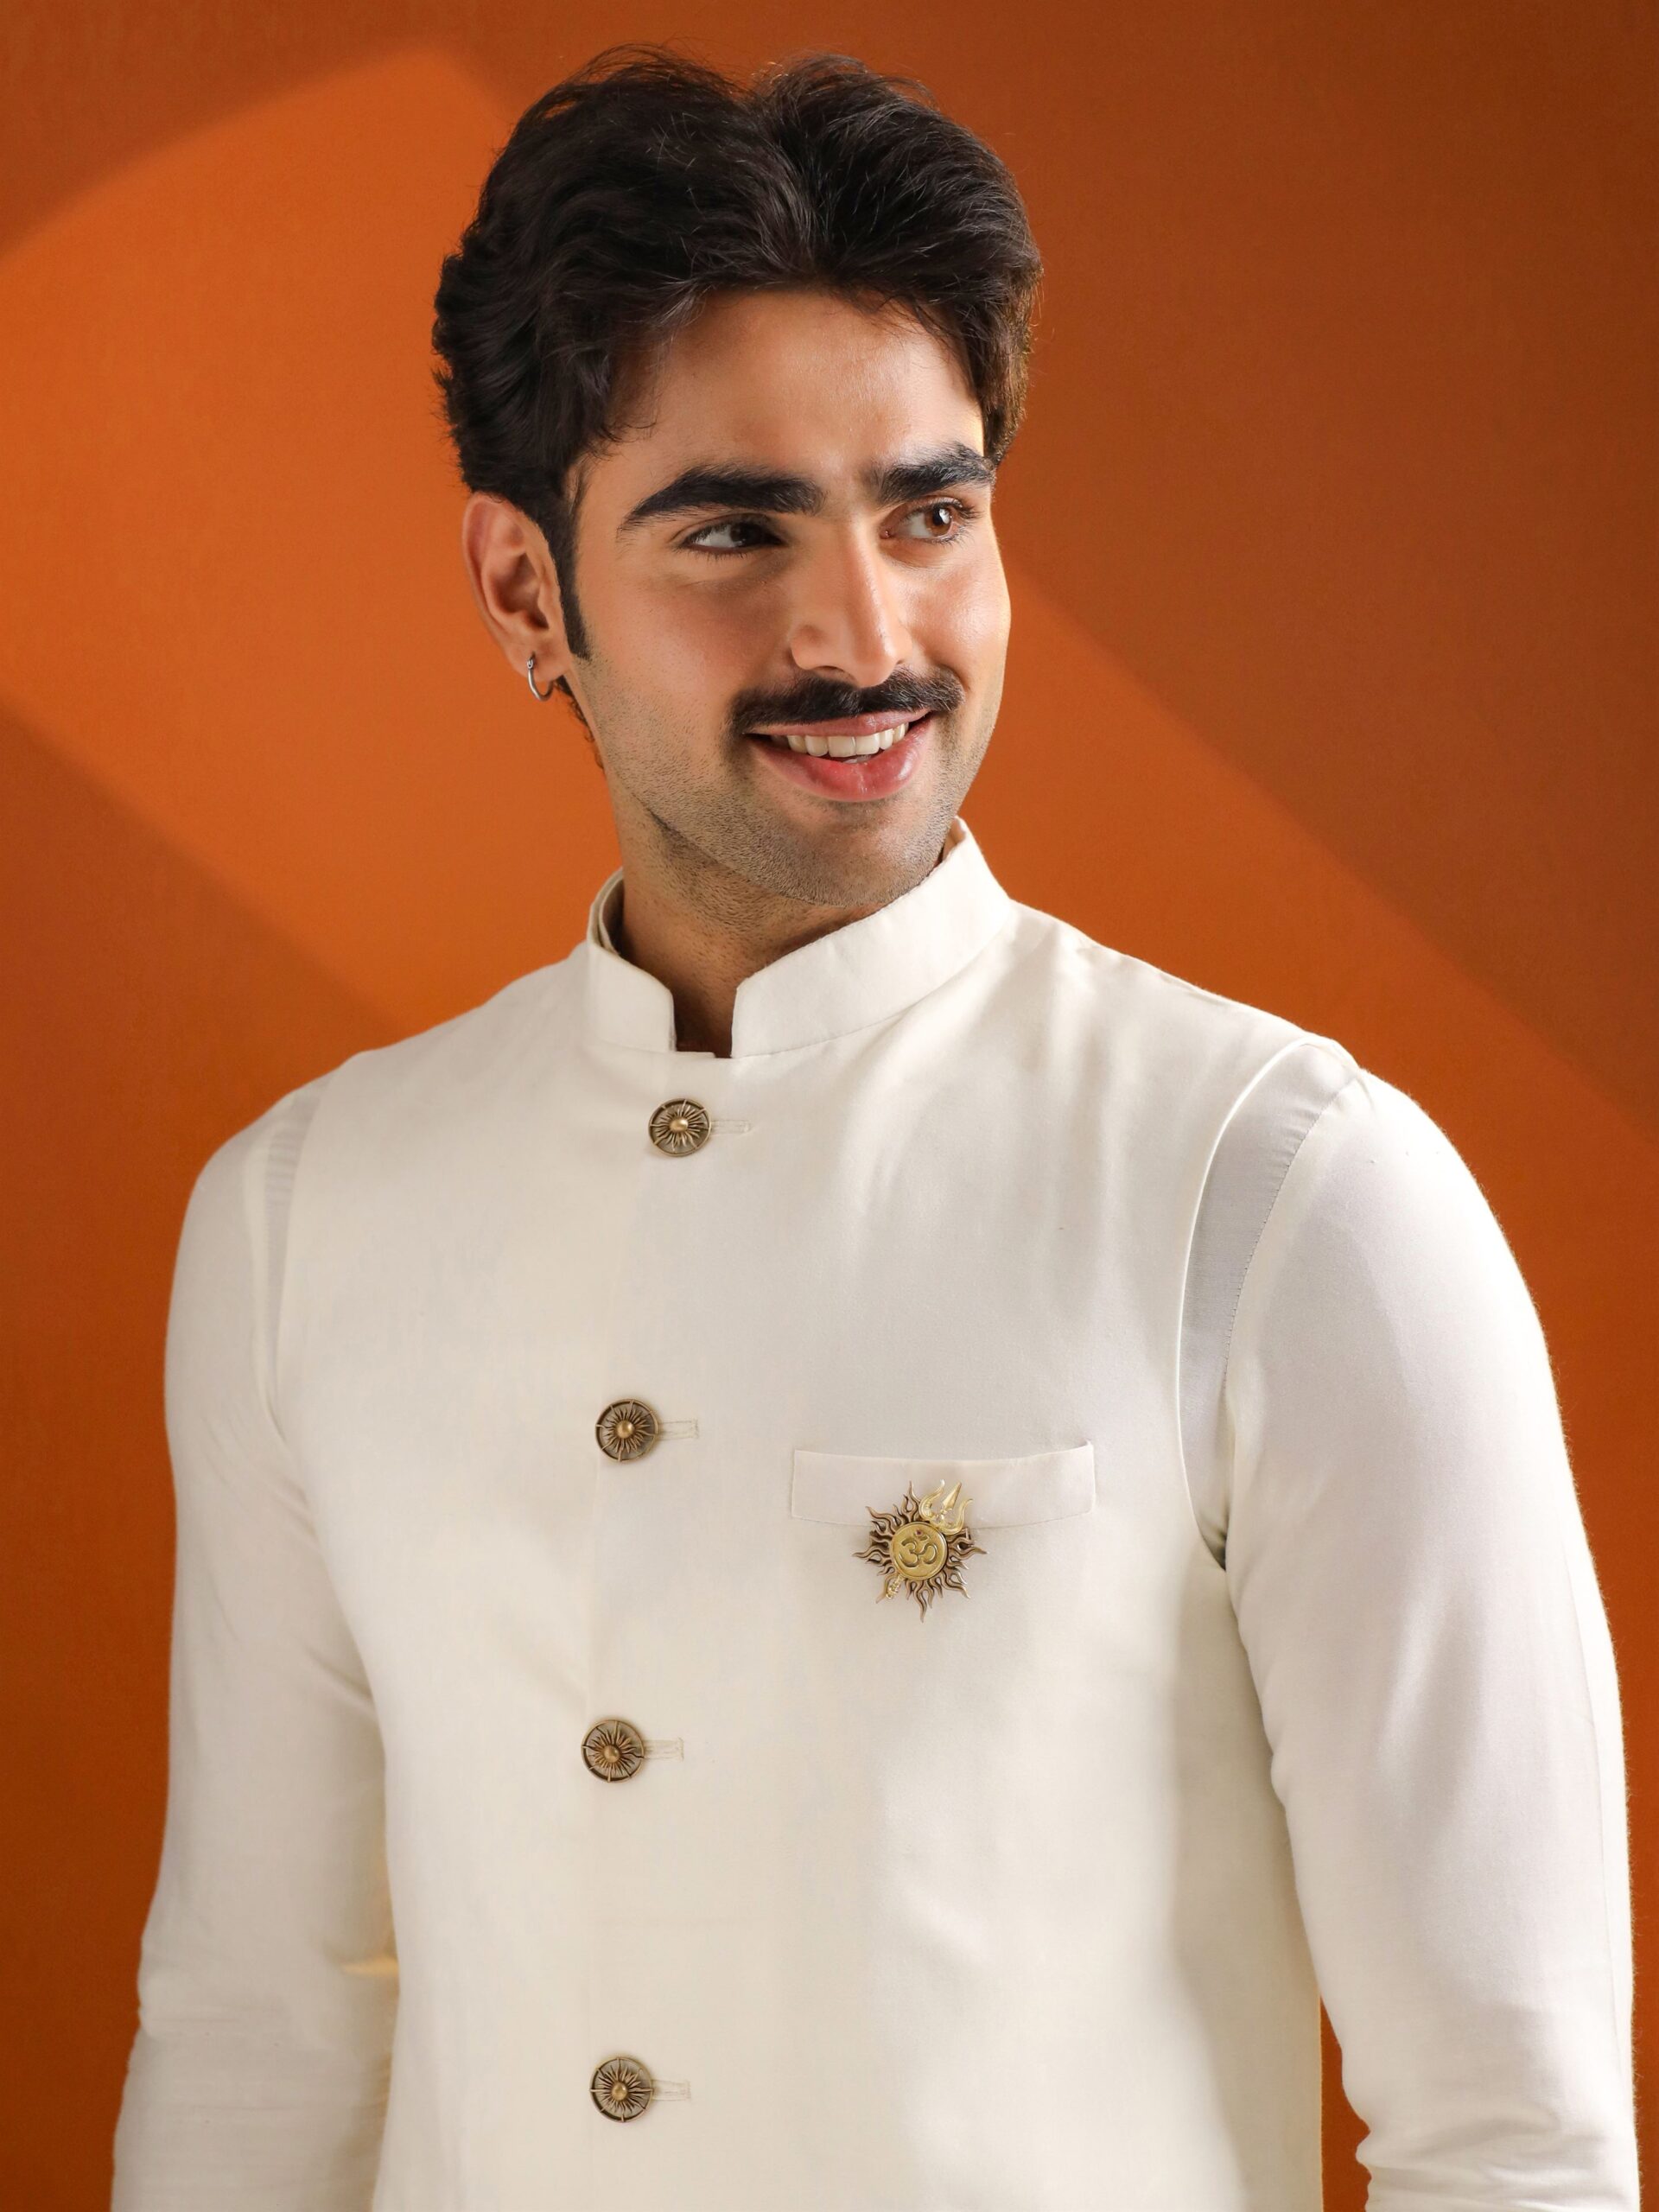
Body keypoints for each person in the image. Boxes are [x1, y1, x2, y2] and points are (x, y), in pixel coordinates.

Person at [110, 44, 1638, 2212]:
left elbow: (1515, 2132)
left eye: (930, 513)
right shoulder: (304, 1216)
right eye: (736, 530)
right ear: (527, 591)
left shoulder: (1280, 1190)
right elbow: (260, 2036)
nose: (865, 634)